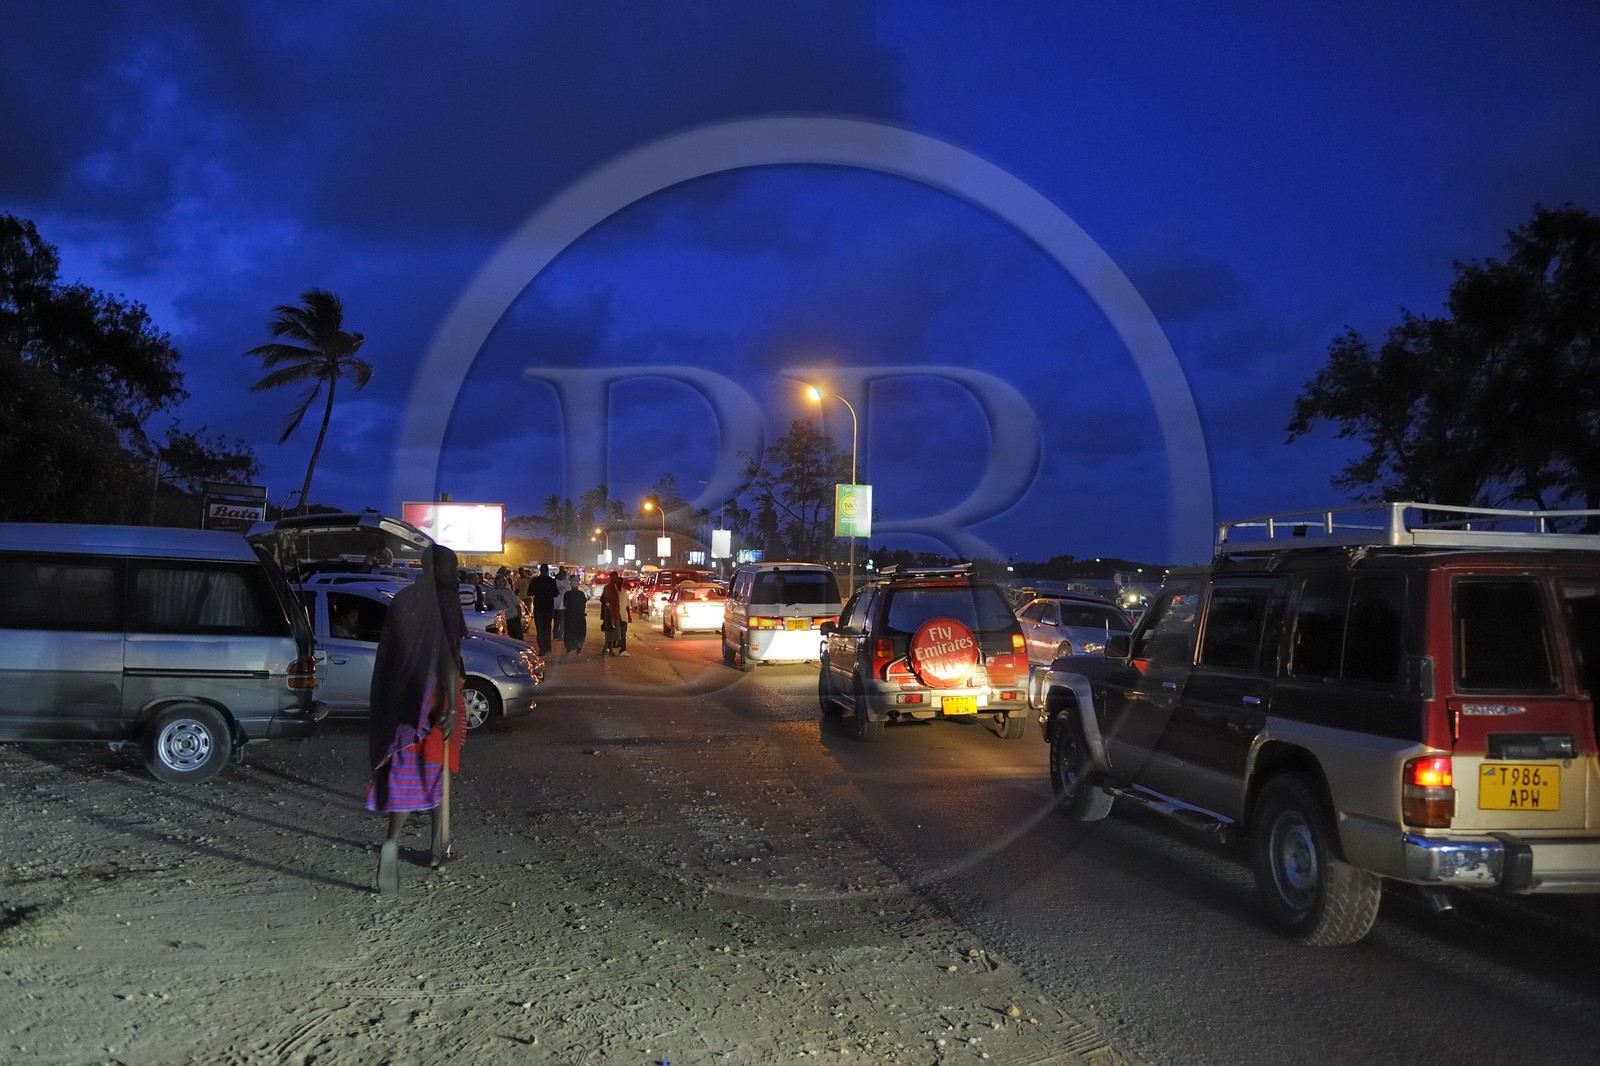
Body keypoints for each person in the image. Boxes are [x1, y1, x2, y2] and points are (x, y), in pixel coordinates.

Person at [366, 543, 467, 894]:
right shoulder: (447, 602)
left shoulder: (403, 599)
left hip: (399, 703)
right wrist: (452, 707)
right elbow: (448, 658)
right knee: (436, 769)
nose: (455, 573)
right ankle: (438, 850)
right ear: (435, 569)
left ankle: (392, 841)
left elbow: (388, 657)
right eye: (450, 567)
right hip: (433, 701)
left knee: (404, 773)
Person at [527, 563, 559, 656]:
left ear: (540, 570)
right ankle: (547, 647)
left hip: (539, 607)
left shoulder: (535, 581)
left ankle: (542, 648)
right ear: (547, 571)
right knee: (547, 627)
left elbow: (529, 592)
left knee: (540, 629)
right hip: (548, 607)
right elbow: (556, 593)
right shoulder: (551, 581)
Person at [599, 568, 630, 656]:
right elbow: (606, 600)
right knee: (612, 633)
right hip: (612, 614)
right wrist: (608, 608)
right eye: (615, 577)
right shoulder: (611, 588)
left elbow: (603, 599)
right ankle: (609, 650)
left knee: (611, 633)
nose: (617, 579)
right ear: (612, 578)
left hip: (613, 613)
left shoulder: (612, 587)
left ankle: (607, 650)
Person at [484, 572, 523, 641]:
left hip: (512, 617)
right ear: (497, 582)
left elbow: (517, 604)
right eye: (503, 581)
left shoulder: (508, 591)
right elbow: (488, 604)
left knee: (517, 638)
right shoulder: (490, 592)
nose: (505, 583)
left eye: (505, 581)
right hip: (501, 620)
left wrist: (519, 614)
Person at [561, 580, 588, 654]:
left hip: (569, 617)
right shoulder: (581, 594)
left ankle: (569, 647)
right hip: (580, 616)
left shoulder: (567, 594)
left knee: (569, 632)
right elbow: (584, 603)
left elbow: (565, 604)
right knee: (579, 632)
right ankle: (578, 647)